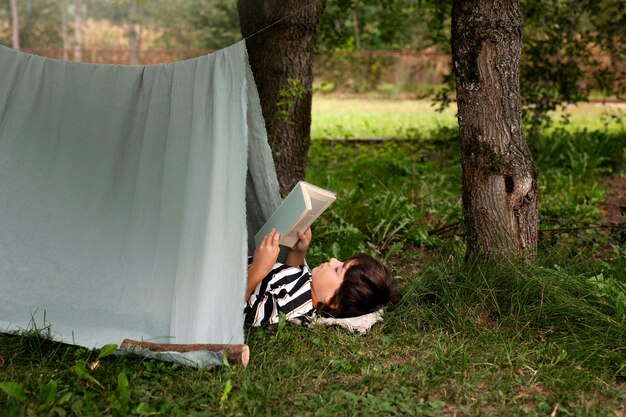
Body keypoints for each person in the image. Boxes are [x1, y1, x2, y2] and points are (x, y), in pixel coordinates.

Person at [244, 228, 399, 326]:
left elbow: (237, 310)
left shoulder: (291, 305)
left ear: (332, 300)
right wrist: (296, 253)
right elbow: (282, 282)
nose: (333, 260)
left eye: (338, 269)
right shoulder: (306, 292)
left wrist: (258, 268)